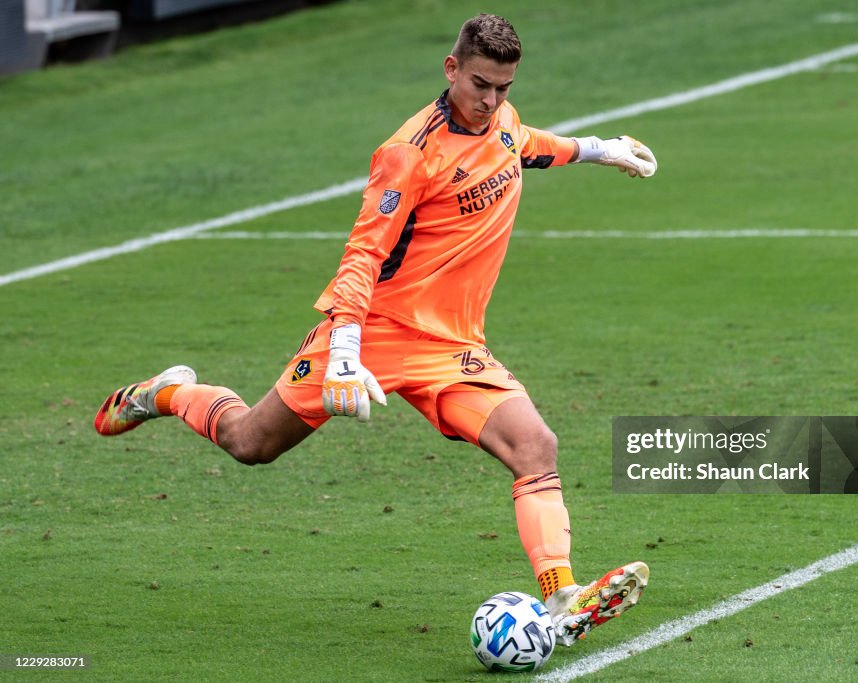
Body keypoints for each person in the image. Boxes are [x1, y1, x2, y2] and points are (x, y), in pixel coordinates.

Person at [94, 13, 657, 646]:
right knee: (251, 443)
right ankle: (166, 393)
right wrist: (342, 350)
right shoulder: (407, 155)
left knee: (536, 447)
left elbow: (526, 142)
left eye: (503, 87)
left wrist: (603, 149)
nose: (492, 100)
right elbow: (363, 254)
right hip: (374, 333)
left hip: (453, 346)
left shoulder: (501, 119)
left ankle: (561, 600)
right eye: (480, 85)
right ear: (451, 69)